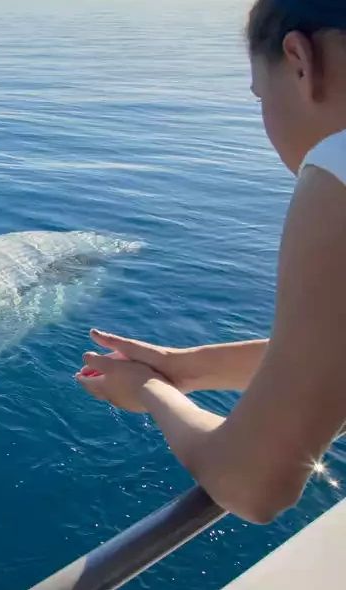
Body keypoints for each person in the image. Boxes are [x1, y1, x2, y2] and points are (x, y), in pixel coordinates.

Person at [76, 0, 346, 525]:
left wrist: (149, 392)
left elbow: (254, 484)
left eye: (260, 95)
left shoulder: (337, 172)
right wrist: (188, 368)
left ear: (299, 60)